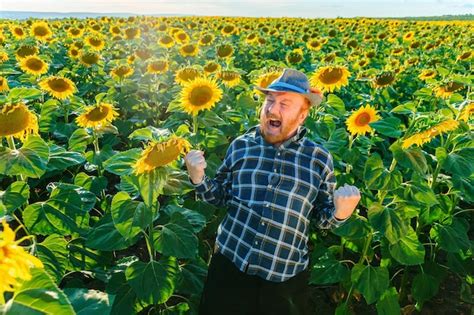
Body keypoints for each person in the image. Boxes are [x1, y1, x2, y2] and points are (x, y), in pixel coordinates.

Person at [184, 68, 361, 315]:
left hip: (283, 277)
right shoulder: (241, 146)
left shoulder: (318, 159)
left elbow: (322, 218)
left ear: (302, 115)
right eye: (269, 101)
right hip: (231, 265)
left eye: (285, 104)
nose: (272, 109)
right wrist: (198, 178)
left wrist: (341, 213)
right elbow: (220, 195)